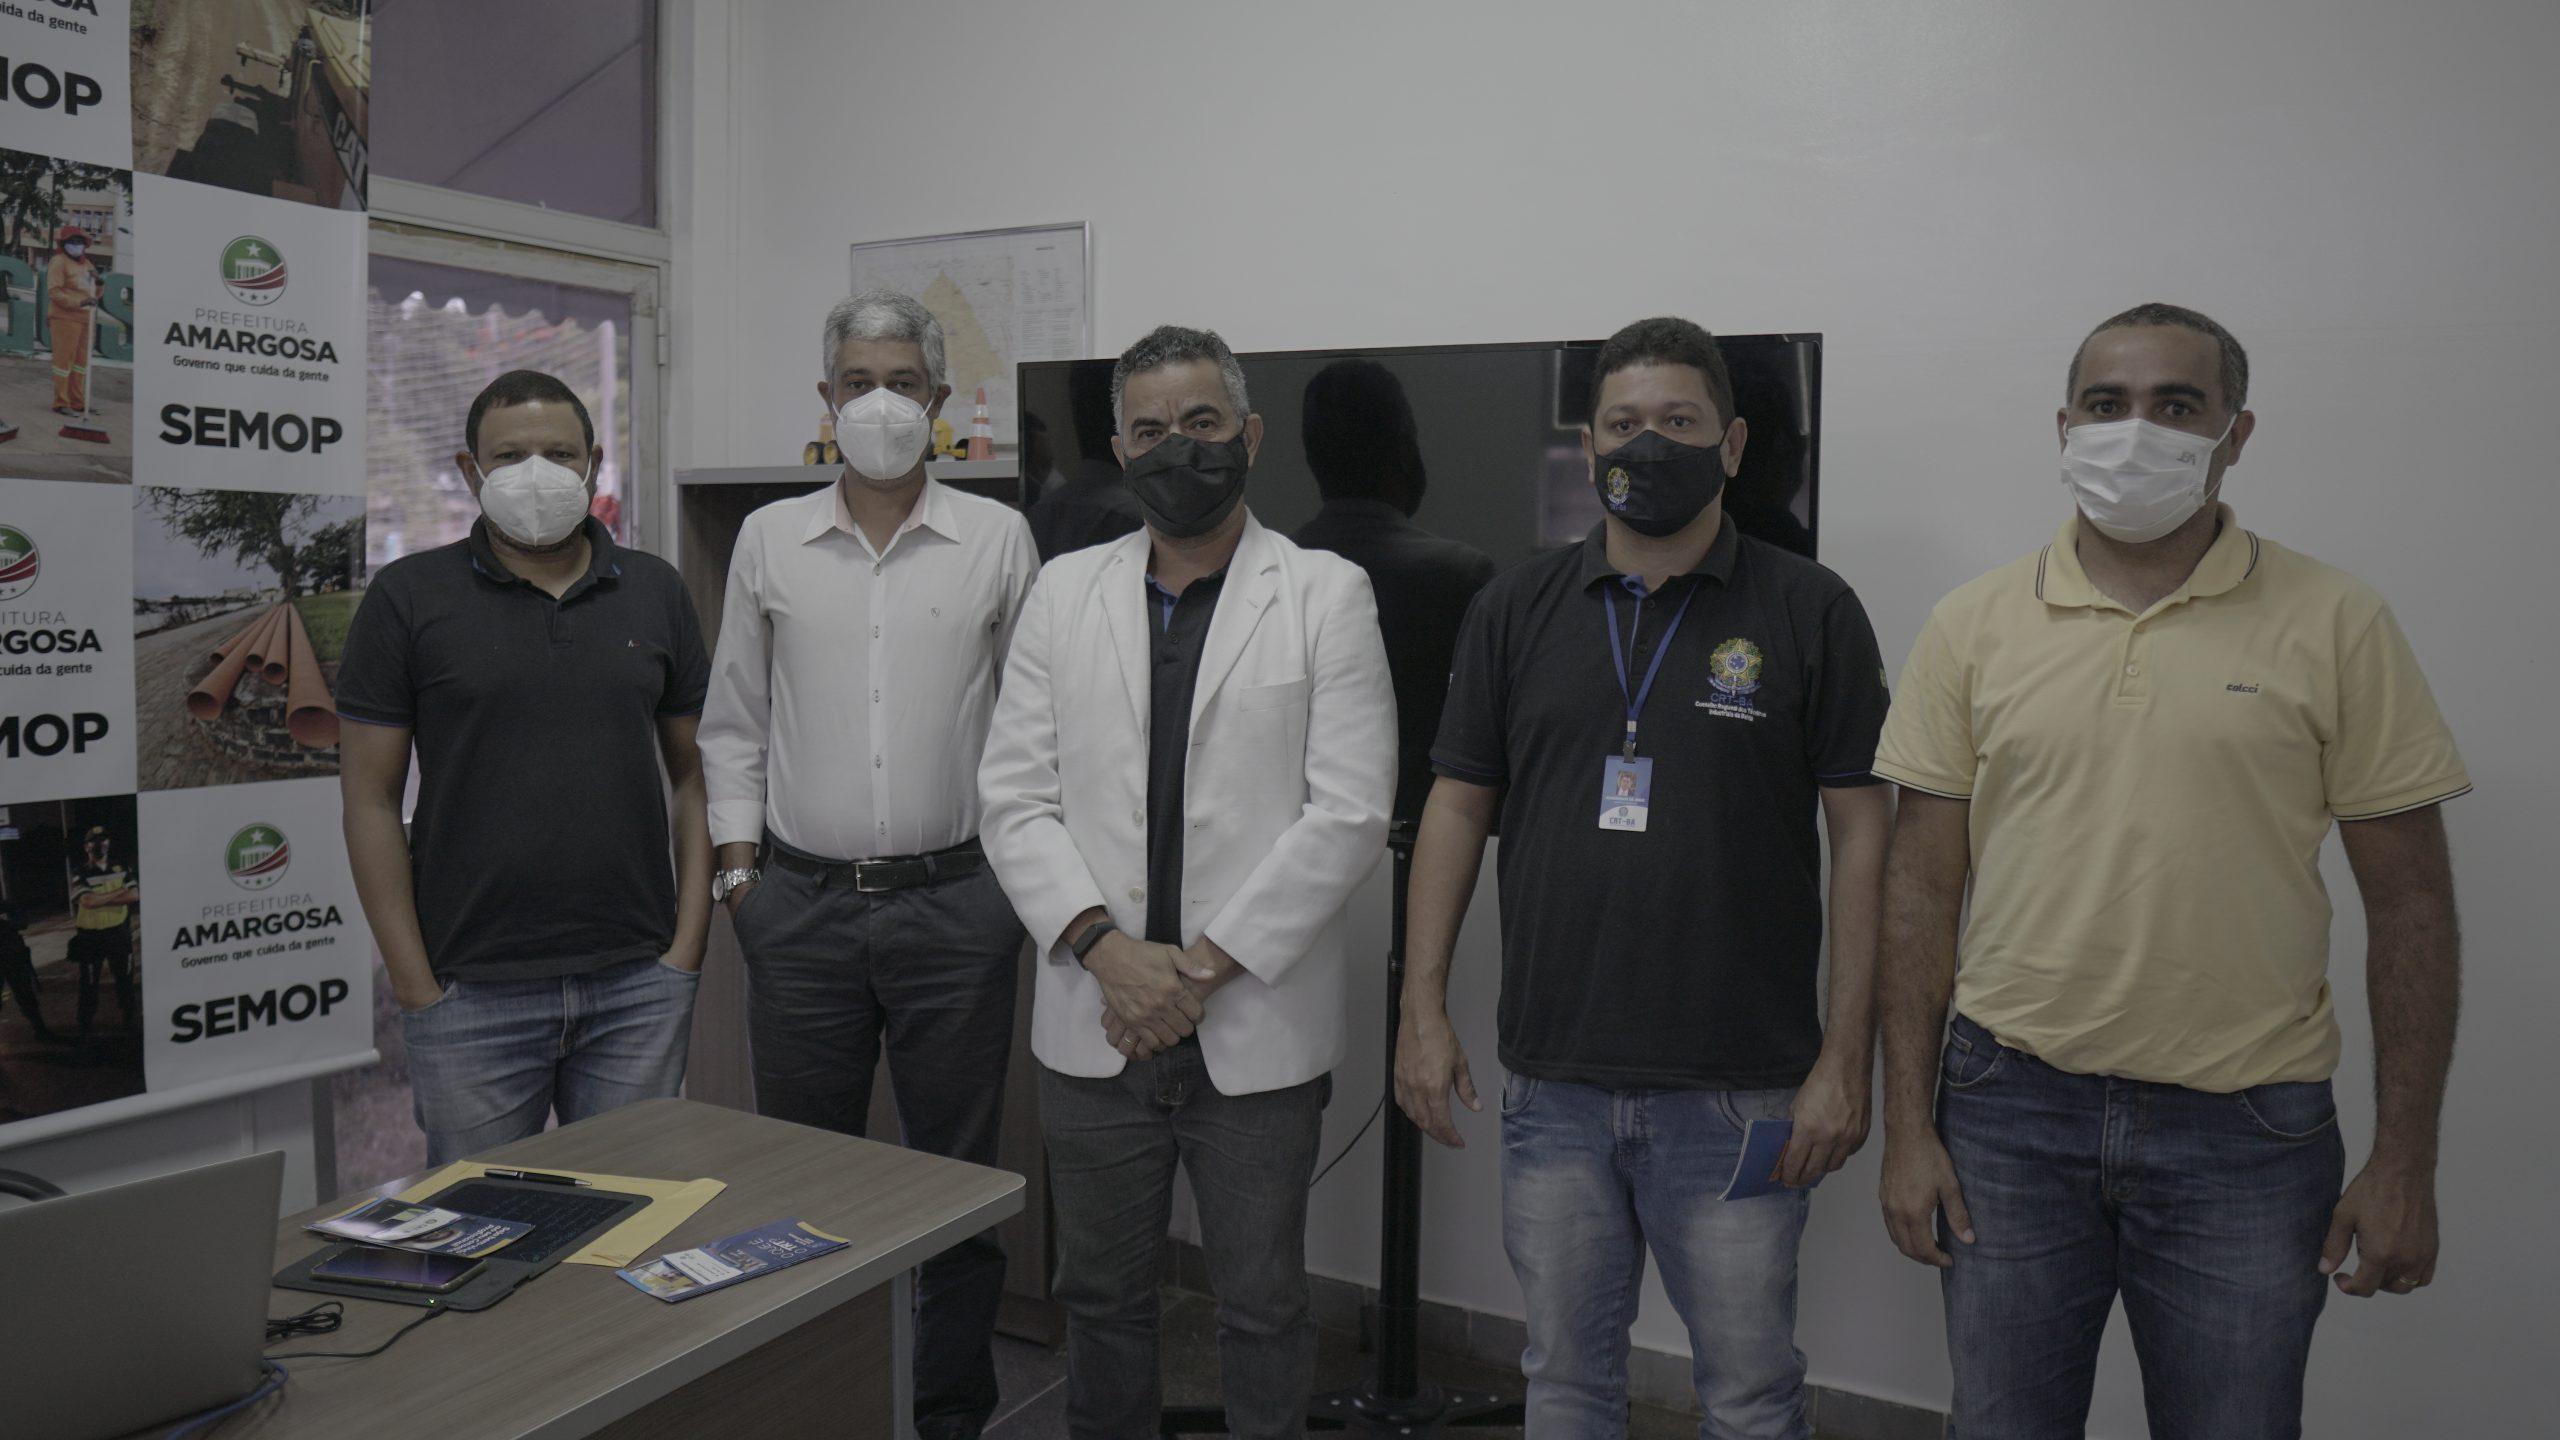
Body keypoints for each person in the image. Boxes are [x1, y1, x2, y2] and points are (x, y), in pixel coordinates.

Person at [1872, 303, 2469, 1439]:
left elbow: (2412, 906)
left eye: (2175, 405)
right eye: (2106, 405)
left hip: (2248, 1134)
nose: (2134, 431)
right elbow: (1918, 888)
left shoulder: (2338, 621)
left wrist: (2404, 1161)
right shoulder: (1971, 623)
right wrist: (1908, 1127)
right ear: (2064, 427)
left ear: (2235, 434)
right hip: (2006, 1114)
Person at [1395, 317, 1892, 1437]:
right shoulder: (1513, 608)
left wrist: (1843, 1058)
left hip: (1741, 1088)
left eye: (1679, 420)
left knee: (1749, 1395)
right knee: (1565, 1383)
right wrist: (1420, 1010)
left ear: (1733, 444)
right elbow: (1456, 806)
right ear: (1587, 446)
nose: (1648, 443)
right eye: (1623, 423)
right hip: (1554, 1082)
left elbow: (1866, 834)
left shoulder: (1809, 608)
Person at [979, 324, 1394, 1439]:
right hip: (1094, 1018)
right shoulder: (1063, 592)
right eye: (1152, 429)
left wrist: (1193, 974)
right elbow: (1012, 797)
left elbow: (1349, 811)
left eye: (1202, 423)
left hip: (1252, 1024)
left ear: (1249, 437)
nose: (1179, 448)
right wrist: (1108, 955)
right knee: (1100, 1299)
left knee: (1261, 1305)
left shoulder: (1325, 593)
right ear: (1121, 449)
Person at [697, 290, 1039, 1440]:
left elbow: (1035, 726)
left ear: (938, 401)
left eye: (901, 383)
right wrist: (739, 881)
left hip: (959, 908)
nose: (879, 404)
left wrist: (1013, 891)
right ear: (825, 398)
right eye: (858, 383)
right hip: (797, 909)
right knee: (801, 1186)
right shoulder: (768, 539)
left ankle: (947, 1414)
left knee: (956, 1186)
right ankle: (819, 1408)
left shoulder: (997, 539)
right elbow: (733, 723)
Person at [336, 369, 713, 1168]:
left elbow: (695, 778)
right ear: (470, 471)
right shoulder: (407, 597)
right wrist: (414, 985)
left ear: (594, 464)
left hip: (637, 985)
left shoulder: (656, 591)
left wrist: (684, 952)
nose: (535, 473)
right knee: (483, 1225)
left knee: (635, 1213)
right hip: (469, 992)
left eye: (559, 453)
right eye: (509, 457)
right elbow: (369, 799)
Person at [1290, 358, 1498, 826]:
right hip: (1438, 835)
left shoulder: (1272, 575)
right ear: (1404, 450)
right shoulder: (1461, 576)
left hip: (1301, 833)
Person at [67, 826, 139, 1037]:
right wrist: (118, 892)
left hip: (118, 934)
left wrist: (100, 899)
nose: (99, 844)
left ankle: (129, 1020)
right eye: (94, 841)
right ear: (86, 847)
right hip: (91, 937)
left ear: (109, 843)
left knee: (125, 980)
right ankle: (85, 1026)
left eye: (103, 840)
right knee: (89, 983)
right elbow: (87, 902)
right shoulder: (80, 872)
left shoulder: (121, 867)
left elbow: (134, 895)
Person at [46, 227, 100, 416]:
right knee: (64, 362)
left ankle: (78, 402)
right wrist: (80, 302)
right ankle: (61, 402)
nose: (77, 245)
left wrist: (99, 283)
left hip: (86, 319)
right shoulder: (58, 262)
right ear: (63, 244)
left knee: (81, 363)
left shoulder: (87, 264)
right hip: (64, 318)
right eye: (72, 241)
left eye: (80, 242)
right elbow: (54, 292)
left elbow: (95, 293)